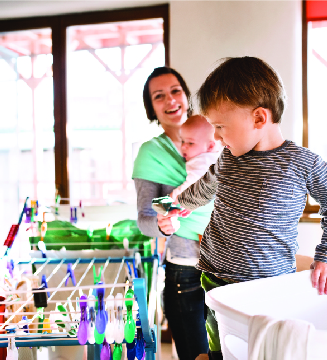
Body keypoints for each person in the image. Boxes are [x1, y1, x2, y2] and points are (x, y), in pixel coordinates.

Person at [165, 57, 327, 360]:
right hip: (214, 276)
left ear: (259, 119)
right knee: (219, 346)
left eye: (220, 126)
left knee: (262, 350)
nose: (216, 137)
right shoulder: (228, 159)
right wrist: (180, 204)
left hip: (267, 286)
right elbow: (205, 187)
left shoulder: (303, 163)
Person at [132, 67, 211, 360]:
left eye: (175, 90)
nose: (170, 100)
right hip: (186, 268)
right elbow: (144, 218)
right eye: (159, 96)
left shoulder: (215, 136)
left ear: (186, 95)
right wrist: (164, 225)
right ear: (151, 107)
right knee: (195, 355)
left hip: (229, 264)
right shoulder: (150, 154)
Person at [169, 114, 222, 200]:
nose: (183, 147)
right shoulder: (218, 152)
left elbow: (192, 183)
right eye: (182, 141)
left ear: (210, 146)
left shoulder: (199, 162)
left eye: (190, 143)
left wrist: (174, 195)